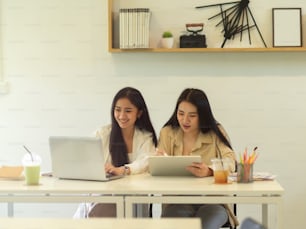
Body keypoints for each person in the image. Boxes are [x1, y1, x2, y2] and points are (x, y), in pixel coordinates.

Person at [156, 88, 238, 229]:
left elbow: (231, 161)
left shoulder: (215, 132)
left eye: (192, 116)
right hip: (177, 201)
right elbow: (158, 165)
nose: (185, 120)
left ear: (203, 115)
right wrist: (159, 160)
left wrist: (210, 171)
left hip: (212, 201)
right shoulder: (167, 132)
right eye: (181, 114)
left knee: (204, 225)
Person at [74, 87, 157, 218]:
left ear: (139, 113)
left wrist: (123, 170)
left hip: (133, 198)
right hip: (103, 196)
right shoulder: (102, 134)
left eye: (128, 111)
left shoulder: (145, 137)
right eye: (117, 110)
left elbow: (145, 162)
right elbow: (84, 158)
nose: (122, 116)